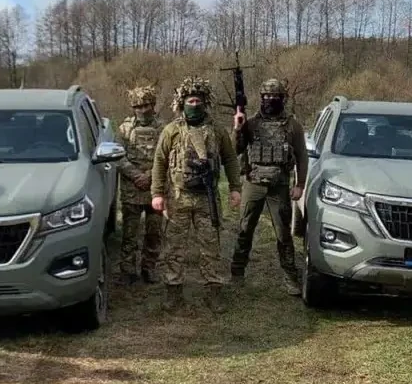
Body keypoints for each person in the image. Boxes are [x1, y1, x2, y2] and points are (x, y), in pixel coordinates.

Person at [150, 77, 242, 312]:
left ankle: (213, 292)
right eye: (190, 101)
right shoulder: (172, 130)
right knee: (174, 247)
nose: (194, 104)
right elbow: (160, 162)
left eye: (198, 100)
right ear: (182, 103)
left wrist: (235, 188)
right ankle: (173, 291)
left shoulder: (217, 130)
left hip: (206, 198)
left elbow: (230, 159)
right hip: (178, 197)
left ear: (205, 102)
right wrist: (157, 193)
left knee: (211, 247)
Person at [230, 78, 308, 295]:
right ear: (261, 98)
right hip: (253, 183)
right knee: (245, 229)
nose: (270, 99)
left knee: (283, 233)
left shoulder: (292, 125)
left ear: (282, 98)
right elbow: (235, 149)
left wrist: (300, 184)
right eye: (266, 96)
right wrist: (238, 128)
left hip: (279, 186)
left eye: (274, 96)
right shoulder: (251, 123)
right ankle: (237, 272)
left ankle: (290, 276)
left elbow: (302, 156)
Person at [115, 85, 165, 284]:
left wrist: (150, 177)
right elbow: (118, 156)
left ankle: (149, 268)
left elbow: (167, 157)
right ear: (133, 108)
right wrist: (136, 176)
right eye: (138, 106)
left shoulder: (163, 129)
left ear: (153, 105)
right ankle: (127, 271)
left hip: (155, 189)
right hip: (131, 189)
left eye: (146, 105)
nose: (143, 110)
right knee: (130, 234)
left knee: (154, 232)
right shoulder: (124, 129)